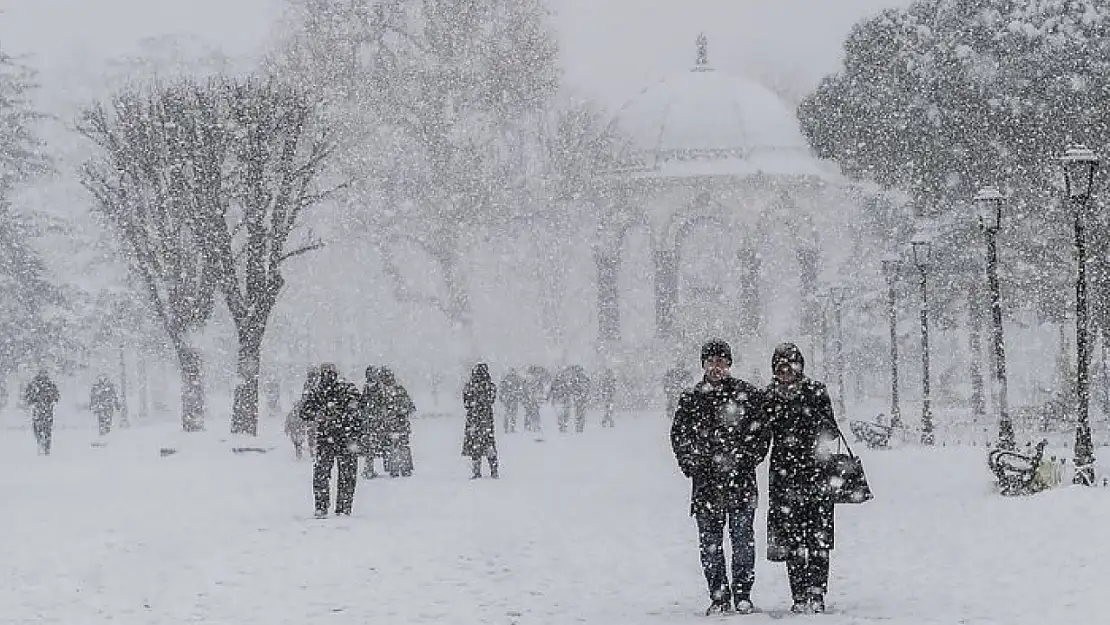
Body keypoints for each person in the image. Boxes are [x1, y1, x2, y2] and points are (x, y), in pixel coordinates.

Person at [670, 340, 769, 615]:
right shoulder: (691, 398)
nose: (717, 367)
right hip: (706, 484)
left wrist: (747, 459)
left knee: (742, 541)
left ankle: (743, 594)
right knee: (710, 545)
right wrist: (691, 463)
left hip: (740, 482)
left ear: (729, 364)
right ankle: (719, 596)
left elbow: (761, 433)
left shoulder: (746, 394)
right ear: (703, 364)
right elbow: (679, 435)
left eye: (722, 362)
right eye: (712, 361)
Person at [762, 342, 845, 614]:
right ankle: (799, 595)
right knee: (793, 538)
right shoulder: (769, 396)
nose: (785, 371)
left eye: (790, 365)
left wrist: (813, 418)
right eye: (780, 366)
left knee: (819, 538)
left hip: (815, 471)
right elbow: (761, 435)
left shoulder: (815, 391)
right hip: (785, 476)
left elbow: (831, 431)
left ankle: (817, 593)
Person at [301, 363, 363, 518]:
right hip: (343, 438)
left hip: (330, 438)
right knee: (345, 475)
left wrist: (321, 412)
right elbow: (359, 408)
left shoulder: (320, 391)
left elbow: (305, 413)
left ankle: (324, 507)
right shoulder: (345, 389)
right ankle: (343, 507)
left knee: (324, 474)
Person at [377, 367, 416, 477]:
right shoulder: (397, 390)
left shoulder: (384, 392)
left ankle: (396, 468)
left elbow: (409, 406)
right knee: (400, 446)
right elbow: (410, 406)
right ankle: (403, 468)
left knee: (394, 447)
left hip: (392, 424)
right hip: (398, 424)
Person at [462, 363, 499, 479]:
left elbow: (466, 403)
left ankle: (477, 472)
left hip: (473, 419)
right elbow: (491, 400)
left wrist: (474, 404)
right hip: (486, 419)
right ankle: (494, 471)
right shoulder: (490, 386)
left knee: (475, 446)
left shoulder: (470, 386)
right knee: (489, 445)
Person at [358, 365, 387, 478]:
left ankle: (369, 469)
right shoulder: (377, 387)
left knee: (370, 446)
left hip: (371, 420)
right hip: (373, 420)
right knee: (372, 445)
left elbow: (364, 402)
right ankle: (369, 469)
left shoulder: (371, 387)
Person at [25, 370, 61, 455]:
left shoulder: (37, 384)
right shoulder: (47, 385)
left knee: (42, 429)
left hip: (42, 410)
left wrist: (33, 402)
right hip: (44, 410)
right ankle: (44, 445)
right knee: (44, 429)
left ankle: (43, 444)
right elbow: (56, 396)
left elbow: (56, 396)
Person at [498, 368, 525, 433]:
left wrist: (502, 397)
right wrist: (519, 396)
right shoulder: (517, 379)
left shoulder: (506, 379)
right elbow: (521, 389)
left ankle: (507, 428)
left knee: (508, 413)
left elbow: (501, 388)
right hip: (513, 398)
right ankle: (511, 428)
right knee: (513, 414)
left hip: (508, 399)